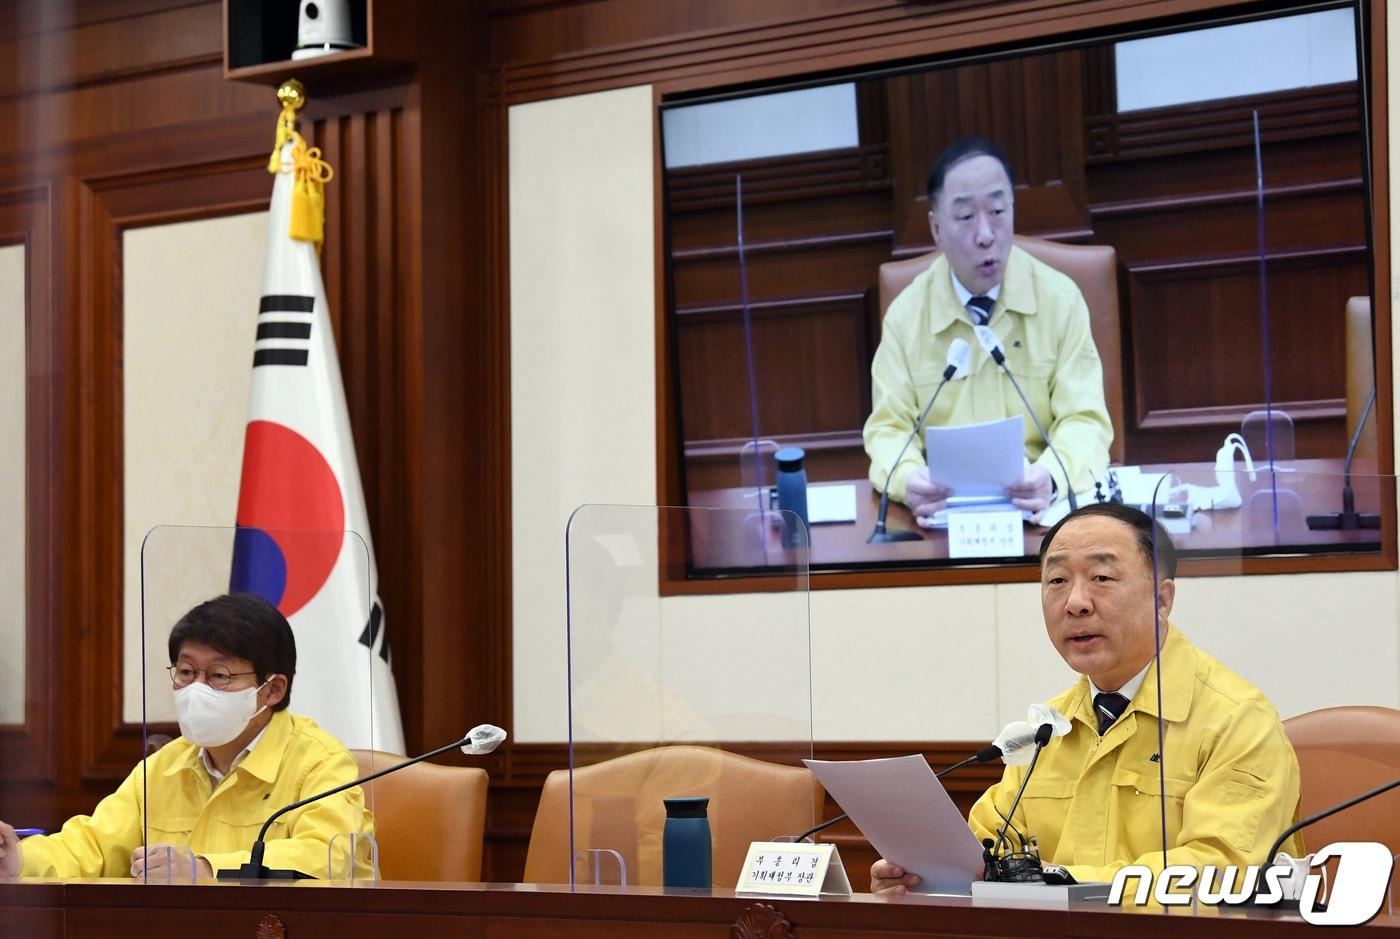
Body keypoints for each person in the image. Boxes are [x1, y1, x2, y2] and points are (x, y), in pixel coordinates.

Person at [871, 503, 1303, 893]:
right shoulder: (1047, 729)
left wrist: (1060, 881)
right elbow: (987, 847)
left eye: (1101, 577)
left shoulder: (1238, 720)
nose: (1075, 602)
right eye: (1057, 580)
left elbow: (1221, 873)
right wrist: (925, 878)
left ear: (1162, 599)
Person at [0, 593, 372, 880]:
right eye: (186, 672)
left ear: (272, 690)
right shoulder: (166, 766)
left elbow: (331, 858)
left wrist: (206, 870)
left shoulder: (319, 763)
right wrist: (19, 859)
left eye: (219, 676)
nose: (197, 690)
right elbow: (93, 847)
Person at [863, 138, 1112, 520]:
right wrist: (908, 478)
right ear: (936, 229)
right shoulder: (906, 317)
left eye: (997, 211)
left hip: (1040, 514)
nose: (985, 234)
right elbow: (887, 429)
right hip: (942, 515)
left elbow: (1086, 420)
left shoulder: (1059, 300)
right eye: (965, 217)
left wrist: (1051, 475)